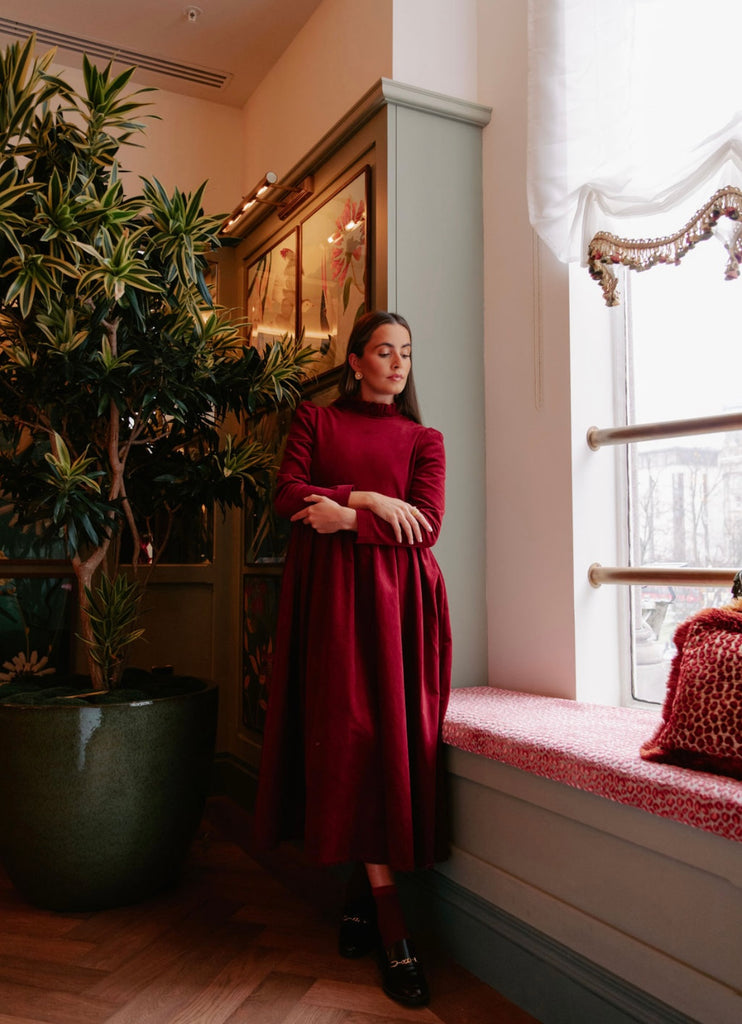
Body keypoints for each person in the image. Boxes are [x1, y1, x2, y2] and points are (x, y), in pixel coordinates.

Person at [254, 310, 452, 1007]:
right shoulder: (316, 420)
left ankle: (370, 906)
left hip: (402, 608)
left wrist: (345, 519)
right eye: (385, 352)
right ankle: (389, 922)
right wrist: (363, 499)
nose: (398, 364)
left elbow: (427, 525)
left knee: (387, 743)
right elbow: (287, 495)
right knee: (350, 739)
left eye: (406, 353)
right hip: (332, 603)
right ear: (356, 360)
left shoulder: (425, 440)